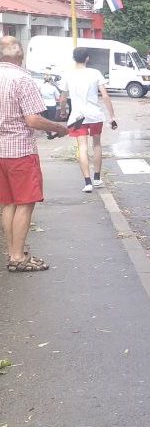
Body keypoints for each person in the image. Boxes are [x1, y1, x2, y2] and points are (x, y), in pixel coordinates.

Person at [0, 36, 69, 272]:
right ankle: (18, 257)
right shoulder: (22, 79)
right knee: (25, 203)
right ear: (20, 56)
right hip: (20, 151)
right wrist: (59, 127)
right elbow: (32, 119)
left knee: (8, 203)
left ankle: (13, 252)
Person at [57, 48, 118, 193]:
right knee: (96, 144)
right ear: (87, 58)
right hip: (95, 115)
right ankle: (97, 178)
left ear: (74, 58)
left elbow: (63, 98)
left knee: (82, 147)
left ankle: (87, 182)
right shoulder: (95, 73)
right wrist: (112, 116)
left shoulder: (68, 75)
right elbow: (105, 96)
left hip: (78, 116)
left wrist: (63, 112)